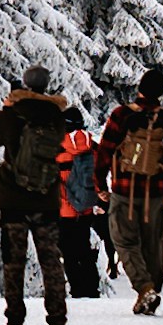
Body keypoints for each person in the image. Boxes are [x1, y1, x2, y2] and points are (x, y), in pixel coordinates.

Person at [97, 64, 163, 315]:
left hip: (124, 191)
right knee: (155, 245)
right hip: (156, 194)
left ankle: (145, 288)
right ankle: (152, 290)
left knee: (124, 241)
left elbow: (105, 151)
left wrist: (99, 184)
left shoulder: (121, 115)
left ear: (139, 88)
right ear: (160, 92)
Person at [0, 64, 77, 325]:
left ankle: (15, 318)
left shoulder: (13, 114)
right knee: (50, 259)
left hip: (14, 199)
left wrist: (7, 108)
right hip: (46, 197)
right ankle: (57, 318)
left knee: (14, 260)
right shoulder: (56, 116)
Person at [56, 115, 106, 300]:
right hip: (85, 207)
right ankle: (92, 289)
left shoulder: (57, 148)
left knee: (68, 252)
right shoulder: (92, 146)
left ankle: (77, 290)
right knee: (84, 247)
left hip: (64, 209)